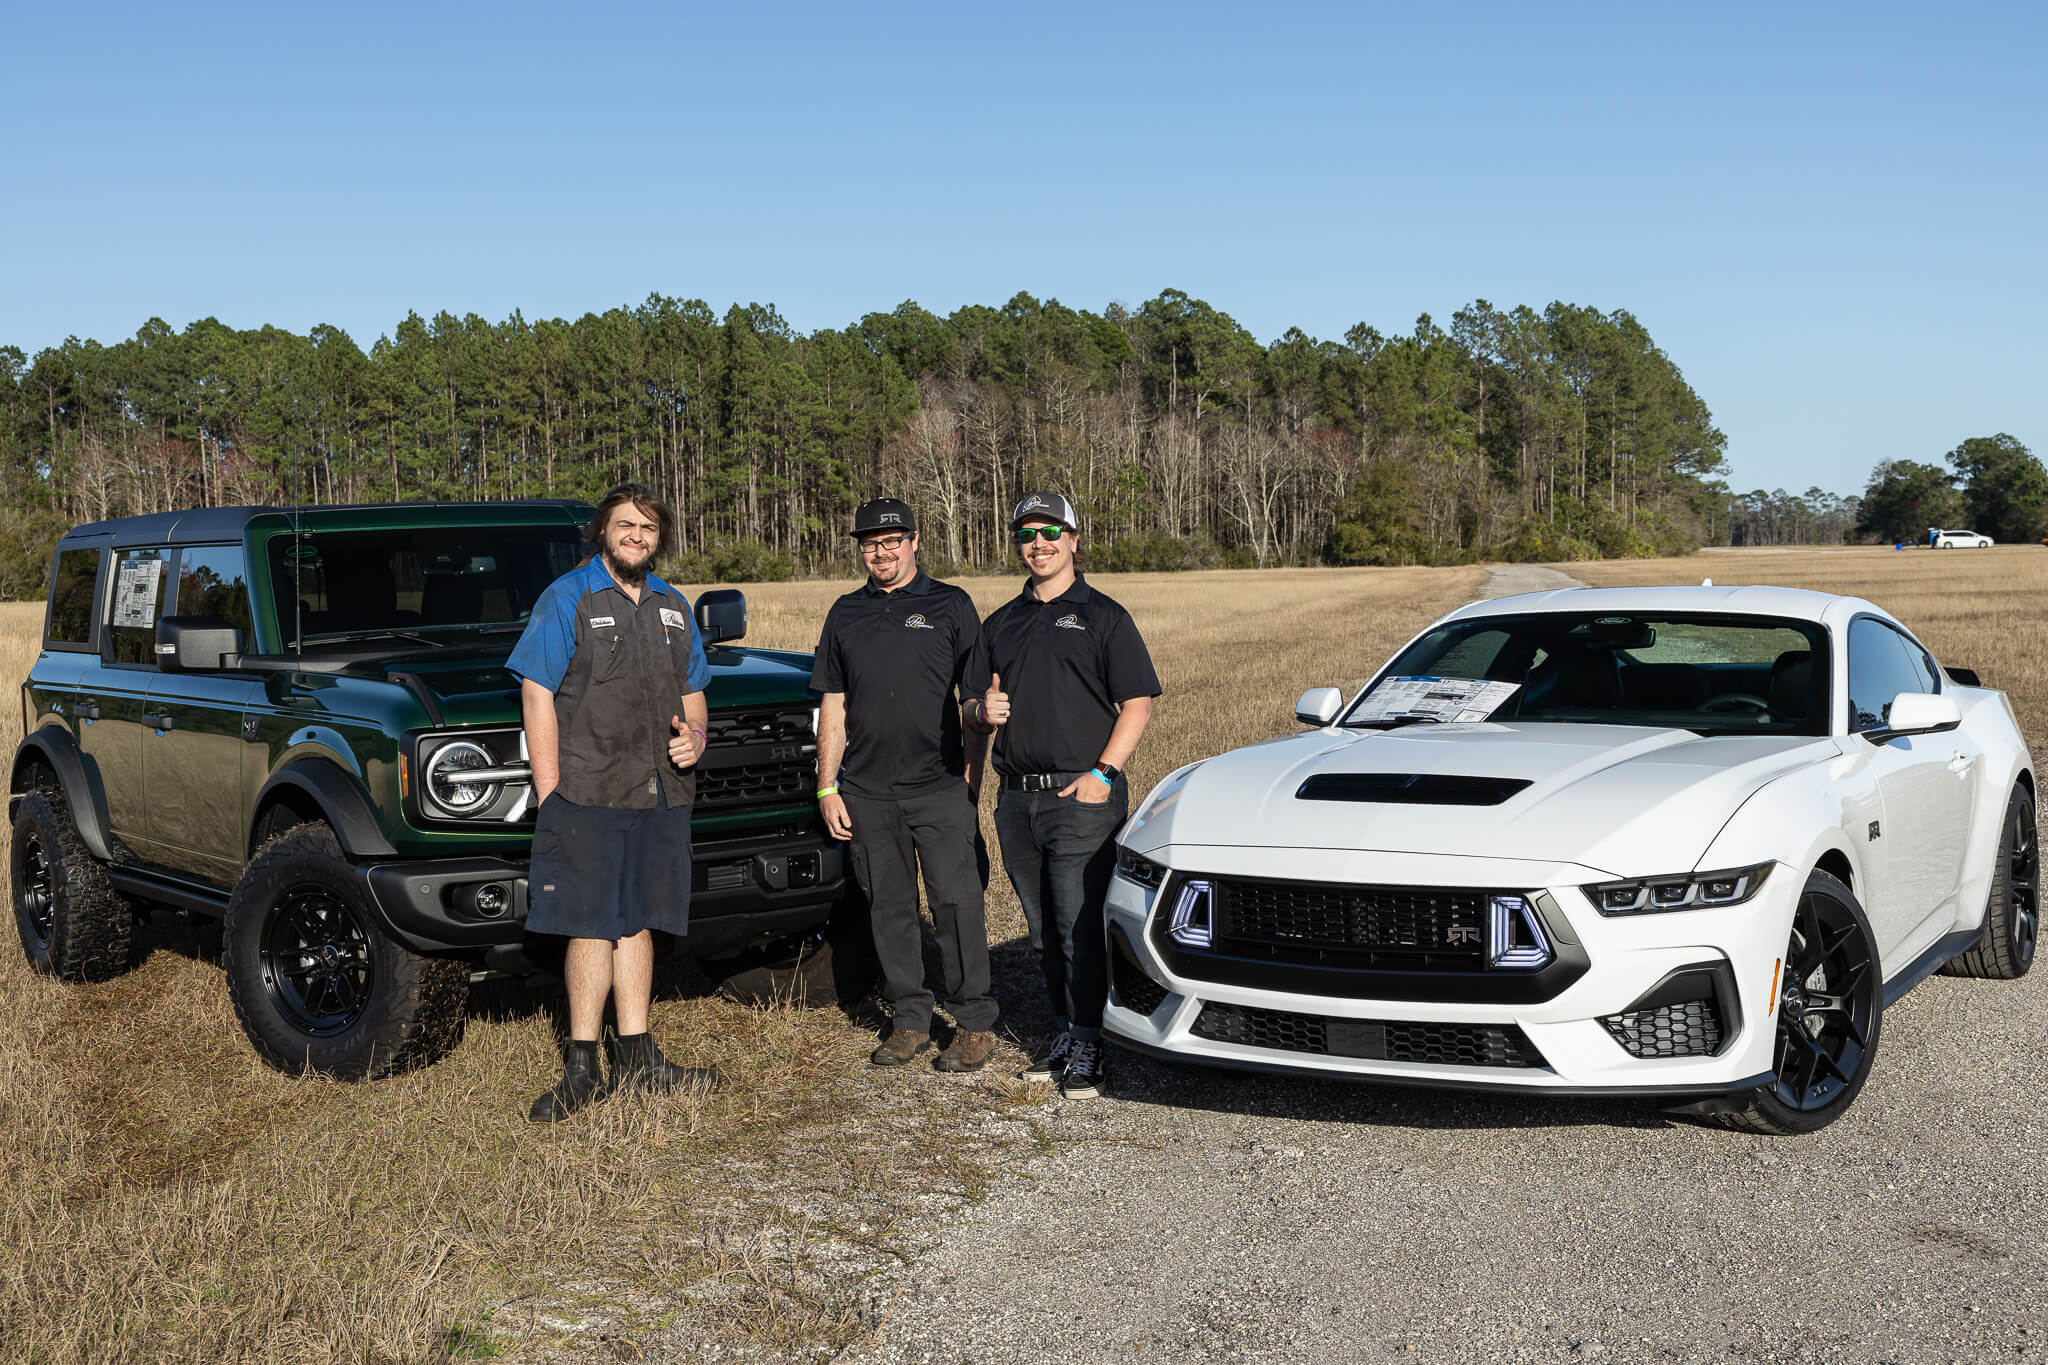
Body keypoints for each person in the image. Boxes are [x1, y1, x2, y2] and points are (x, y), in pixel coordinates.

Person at [508, 483, 722, 1121]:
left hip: (660, 793)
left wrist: (699, 739)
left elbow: (694, 690)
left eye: (649, 528)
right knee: (591, 923)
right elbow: (537, 693)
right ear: (603, 530)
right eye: (626, 525)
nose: (637, 536)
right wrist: (551, 795)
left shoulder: (673, 606)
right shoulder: (568, 598)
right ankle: (582, 1066)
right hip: (587, 792)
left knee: (641, 918)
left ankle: (639, 1056)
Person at [965, 491, 1160, 1098]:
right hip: (1017, 799)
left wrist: (1103, 772)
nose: (1039, 543)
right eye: (1027, 534)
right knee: (1043, 926)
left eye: (1051, 531)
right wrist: (979, 710)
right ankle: (1064, 1030)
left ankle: (1089, 1043)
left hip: (1083, 796)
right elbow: (971, 708)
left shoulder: (1104, 616)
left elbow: (1138, 702)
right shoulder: (1000, 623)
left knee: (1078, 924)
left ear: (1075, 539)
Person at [811, 498, 998, 1071]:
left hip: (938, 784)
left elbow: (974, 705)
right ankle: (911, 1017)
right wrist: (827, 787)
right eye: (869, 543)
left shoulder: (950, 605)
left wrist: (969, 784)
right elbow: (833, 706)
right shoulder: (845, 613)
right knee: (889, 906)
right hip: (867, 791)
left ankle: (972, 1021)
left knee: (955, 902)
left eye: (891, 540)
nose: (881, 552)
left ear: (915, 540)